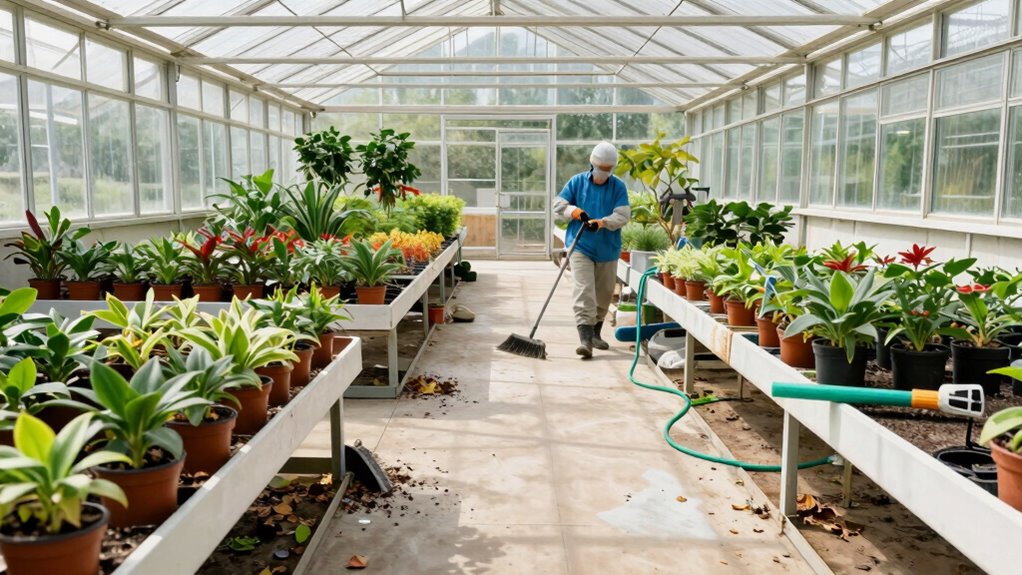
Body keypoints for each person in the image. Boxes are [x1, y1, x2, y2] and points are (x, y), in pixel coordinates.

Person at [552, 141, 630, 359]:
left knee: (604, 294)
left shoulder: (618, 187)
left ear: (612, 168)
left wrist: (603, 222)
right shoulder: (577, 182)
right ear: (592, 163)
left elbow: (623, 215)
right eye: (600, 167)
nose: (603, 172)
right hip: (581, 246)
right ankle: (585, 340)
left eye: (607, 169)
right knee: (584, 289)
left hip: (608, 248)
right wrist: (574, 211)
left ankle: (595, 333)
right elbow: (557, 204)